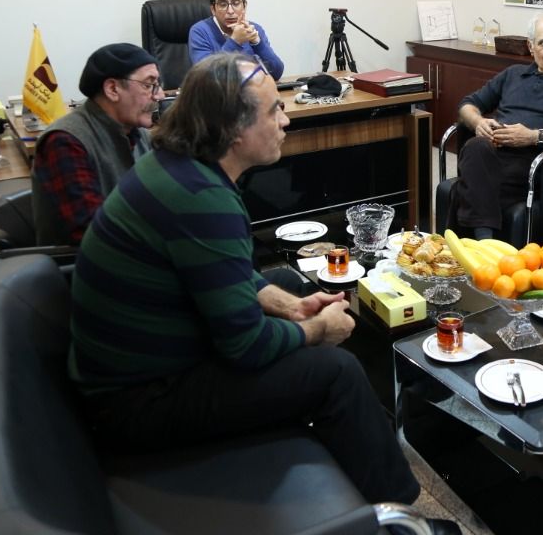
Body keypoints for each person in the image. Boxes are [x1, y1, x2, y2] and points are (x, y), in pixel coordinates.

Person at [67, 54, 432, 511]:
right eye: (274, 111)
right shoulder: (203, 199)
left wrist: (292, 309)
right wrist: (316, 330)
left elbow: (225, 276)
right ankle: (402, 512)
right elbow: (245, 346)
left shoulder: (178, 166)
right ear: (234, 130)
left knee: (286, 283)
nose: (287, 118)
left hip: (144, 362)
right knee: (336, 373)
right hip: (138, 403)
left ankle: (343, 435)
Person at [455, 13, 543, 239]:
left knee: (469, 185)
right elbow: (467, 104)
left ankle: (480, 246)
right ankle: (484, 247)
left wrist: (534, 136)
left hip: (534, 163)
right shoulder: (513, 74)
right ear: (531, 47)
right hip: (492, 154)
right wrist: (479, 122)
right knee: (476, 147)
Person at [32, 43, 164, 246]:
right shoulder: (65, 141)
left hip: (137, 256)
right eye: (149, 84)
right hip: (88, 267)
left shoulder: (141, 136)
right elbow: (93, 231)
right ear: (112, 89)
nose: (159, 95)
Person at [188, 0, 284, 80]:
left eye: (235, 3)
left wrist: (257, 43)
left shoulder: (254, 29)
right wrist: (235, 41)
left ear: (244, 5)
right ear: (213, 9)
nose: (230, 11)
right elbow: (206, 77)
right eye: (223, 4)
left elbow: (276, 73)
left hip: (250, 92)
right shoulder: (199, 32)